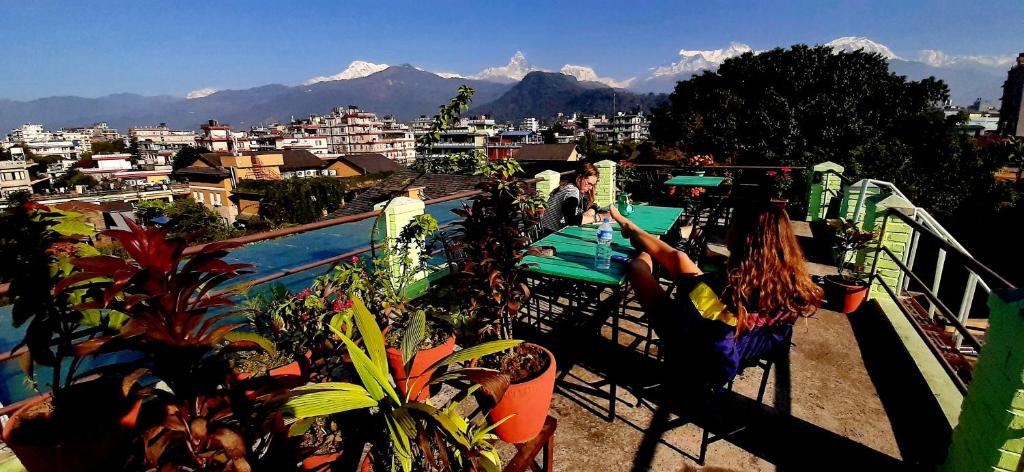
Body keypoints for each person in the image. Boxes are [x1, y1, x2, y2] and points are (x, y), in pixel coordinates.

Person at [608, 202, 822, 392]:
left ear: (742, 237)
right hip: (736, 335)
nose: (727, 228)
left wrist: (646, 254)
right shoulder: (789, 282)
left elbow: (696, 303)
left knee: (637, 267)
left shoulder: (723, 287)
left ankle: (642, 248)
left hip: (701, 354)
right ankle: (635, 231)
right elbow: (692, 276)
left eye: (732, 225)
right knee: (680, 258)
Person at [541, 162, 602, 233]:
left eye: (593, 185)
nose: (591, 188)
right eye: (588, 183)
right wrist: (599, 217)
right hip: (551, 234)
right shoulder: (572, 191)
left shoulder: (574, 187)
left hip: (551, 231)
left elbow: (591, 205)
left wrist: (592, 210)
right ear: (580, 177)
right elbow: (571, 220)